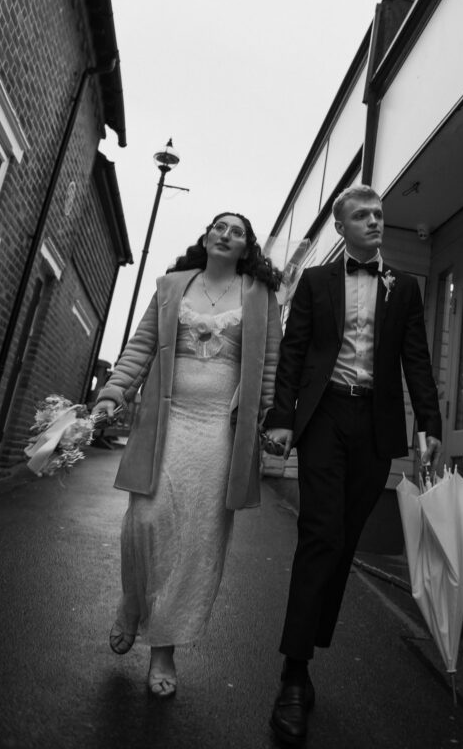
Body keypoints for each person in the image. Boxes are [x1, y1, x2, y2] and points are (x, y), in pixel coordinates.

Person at [263, 185, 442, 744]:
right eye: (361, 215)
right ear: (340, 228)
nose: (374, 221)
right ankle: (294, 674)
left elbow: (416, 356)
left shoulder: (403, 287)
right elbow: (294, 352)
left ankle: (307, 650)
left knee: (343, 540)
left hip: (375, 426)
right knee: (319, 532)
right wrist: (280, 416)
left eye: (379, 214)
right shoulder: (316, 283)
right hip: (324, 417)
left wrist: (430, 424)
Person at [95, 212, 282, 698]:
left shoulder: (260, 296)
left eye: (237, 231)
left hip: (222, 433)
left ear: (247, 247)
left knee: (199, 540)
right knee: (145, 520)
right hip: (165, 424)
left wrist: (271, 421)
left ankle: (164, 648)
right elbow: (139, 348)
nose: (226, 234)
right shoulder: (172, 285)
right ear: (205, 236)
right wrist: (113, 393)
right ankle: (133, 604)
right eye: (219, 226)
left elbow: (269, 370)